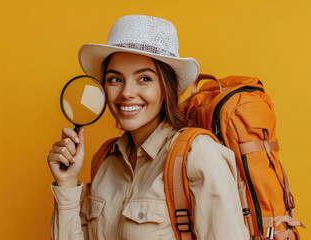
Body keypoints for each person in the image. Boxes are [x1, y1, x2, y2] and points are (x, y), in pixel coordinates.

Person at [47, 15, 249, 240]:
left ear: (167, 88)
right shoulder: (104, 160)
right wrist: (66, 184)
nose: (126, 93)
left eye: (144, 78)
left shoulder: (199, 154)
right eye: (115, 79)